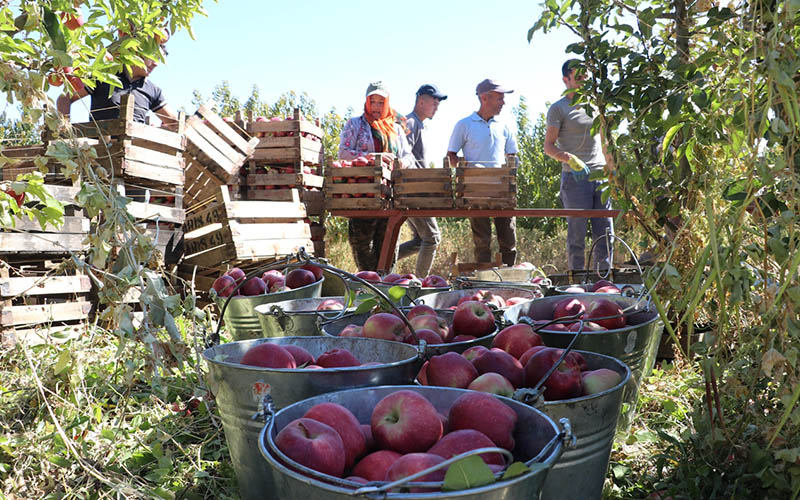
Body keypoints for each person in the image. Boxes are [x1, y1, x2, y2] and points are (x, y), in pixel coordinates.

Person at [544, 59, 613, 271]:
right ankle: (577, 280)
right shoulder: (559, 109)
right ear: (566, 80)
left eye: (586, 77)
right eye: (578, 77)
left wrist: (613, 169)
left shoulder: (596, 106)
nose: (583, 81)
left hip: (600, 177)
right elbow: (548, 146)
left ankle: (604, 280)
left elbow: (606, 142)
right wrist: (568, 158)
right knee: (577, 235)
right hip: (575, 179)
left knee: (606, 234)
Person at [338, 81, 414, 272]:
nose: (376, 107)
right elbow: (343, 153)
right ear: (366, 102)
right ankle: (368, 285)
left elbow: (408, 155)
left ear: (387, 104)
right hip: (364, 195)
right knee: (363, 246)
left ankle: (386, 286)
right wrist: (373, 157)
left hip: (392, 197)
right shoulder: (355, 124)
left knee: (388, 247)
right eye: (373, 102)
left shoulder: (396, 129)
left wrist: (401, 162)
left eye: (381, 102)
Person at [447, 79, 518, 266]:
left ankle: (509, 277)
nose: (503, 102)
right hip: (476, 190)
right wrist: (465, 168)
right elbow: (451, 155)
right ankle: (484, 279)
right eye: (499, 98)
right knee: (482, 241)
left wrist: (511, 171)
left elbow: (513, 155)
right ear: (484, 98)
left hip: (501, 189)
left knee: (508, 239)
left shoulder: (504, 126)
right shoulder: (464, 125)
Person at [56, 42, 179, 129]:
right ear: (138, 52)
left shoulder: (153, 90)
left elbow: (174, 123)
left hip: (134, 155)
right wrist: (64, 129)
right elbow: (65, 98)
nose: (156, 64)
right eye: (154, 57)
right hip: (102, 153)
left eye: (160, 60)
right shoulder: (103, 75)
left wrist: (156, 130)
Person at [396, 84, 447, 277]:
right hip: (413, 190)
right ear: (420, 100)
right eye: (434, 103)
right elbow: (404, 158)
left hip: (415, 189)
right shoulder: (410, 123)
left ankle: (381, 266)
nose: (436, 107)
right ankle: (420, 284)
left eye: (438, 104)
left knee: (420, 240)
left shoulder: (418, 124)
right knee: (432, 237)